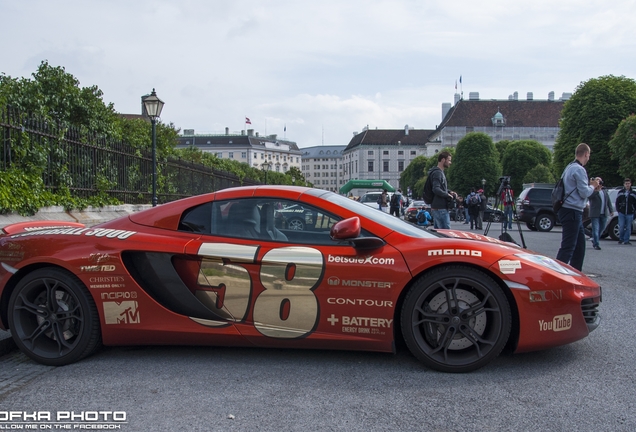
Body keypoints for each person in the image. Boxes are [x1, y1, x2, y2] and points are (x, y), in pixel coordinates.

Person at [556, 143, 599, 271]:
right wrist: (593, 185)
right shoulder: (580, 169)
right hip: (572, 210)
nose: (588, 158)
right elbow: (584, 192)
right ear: (586, 154)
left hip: (568, 209)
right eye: (589, 155)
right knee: (568, 246)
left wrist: (592, 188)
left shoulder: (569, 167)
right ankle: (556, 274)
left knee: (580, 246)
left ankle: (575, 272)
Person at [428, 151, 457, 229]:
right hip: (440, 208)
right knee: (445, 233)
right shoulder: (438, 173)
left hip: (437, 207)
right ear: (443, 160)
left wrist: (449, 191)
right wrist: (447, 195)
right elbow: (436, 188)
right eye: (449, 160)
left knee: (439, 233)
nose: (450, 162)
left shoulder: (437, 172)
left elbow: (440, 188)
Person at [588, 181, 614, 250]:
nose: (600, 185)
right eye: (598, 183)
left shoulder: (604, 192)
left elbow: (608, 202)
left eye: (601, 183)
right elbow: (589, 197)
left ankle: (594, 239)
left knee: (602, 229)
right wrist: (596, 190)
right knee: (595, 229)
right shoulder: (592, 192)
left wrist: (611, 211)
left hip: (604, 213)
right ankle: (596, 244)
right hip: (595, 214)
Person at [615, 178, 636, 245]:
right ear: (624, 184)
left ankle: (626, 240)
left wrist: (634, 211)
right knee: (621, 226)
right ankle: (621, 239)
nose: (627, 185)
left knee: (628, 227)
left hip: (630, 213)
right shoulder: (620, 192)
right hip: (622, 212)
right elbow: (617, 202)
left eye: (628, 183)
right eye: (626, 184)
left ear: (630, 184)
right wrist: (619, 210)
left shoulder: (633, 193)